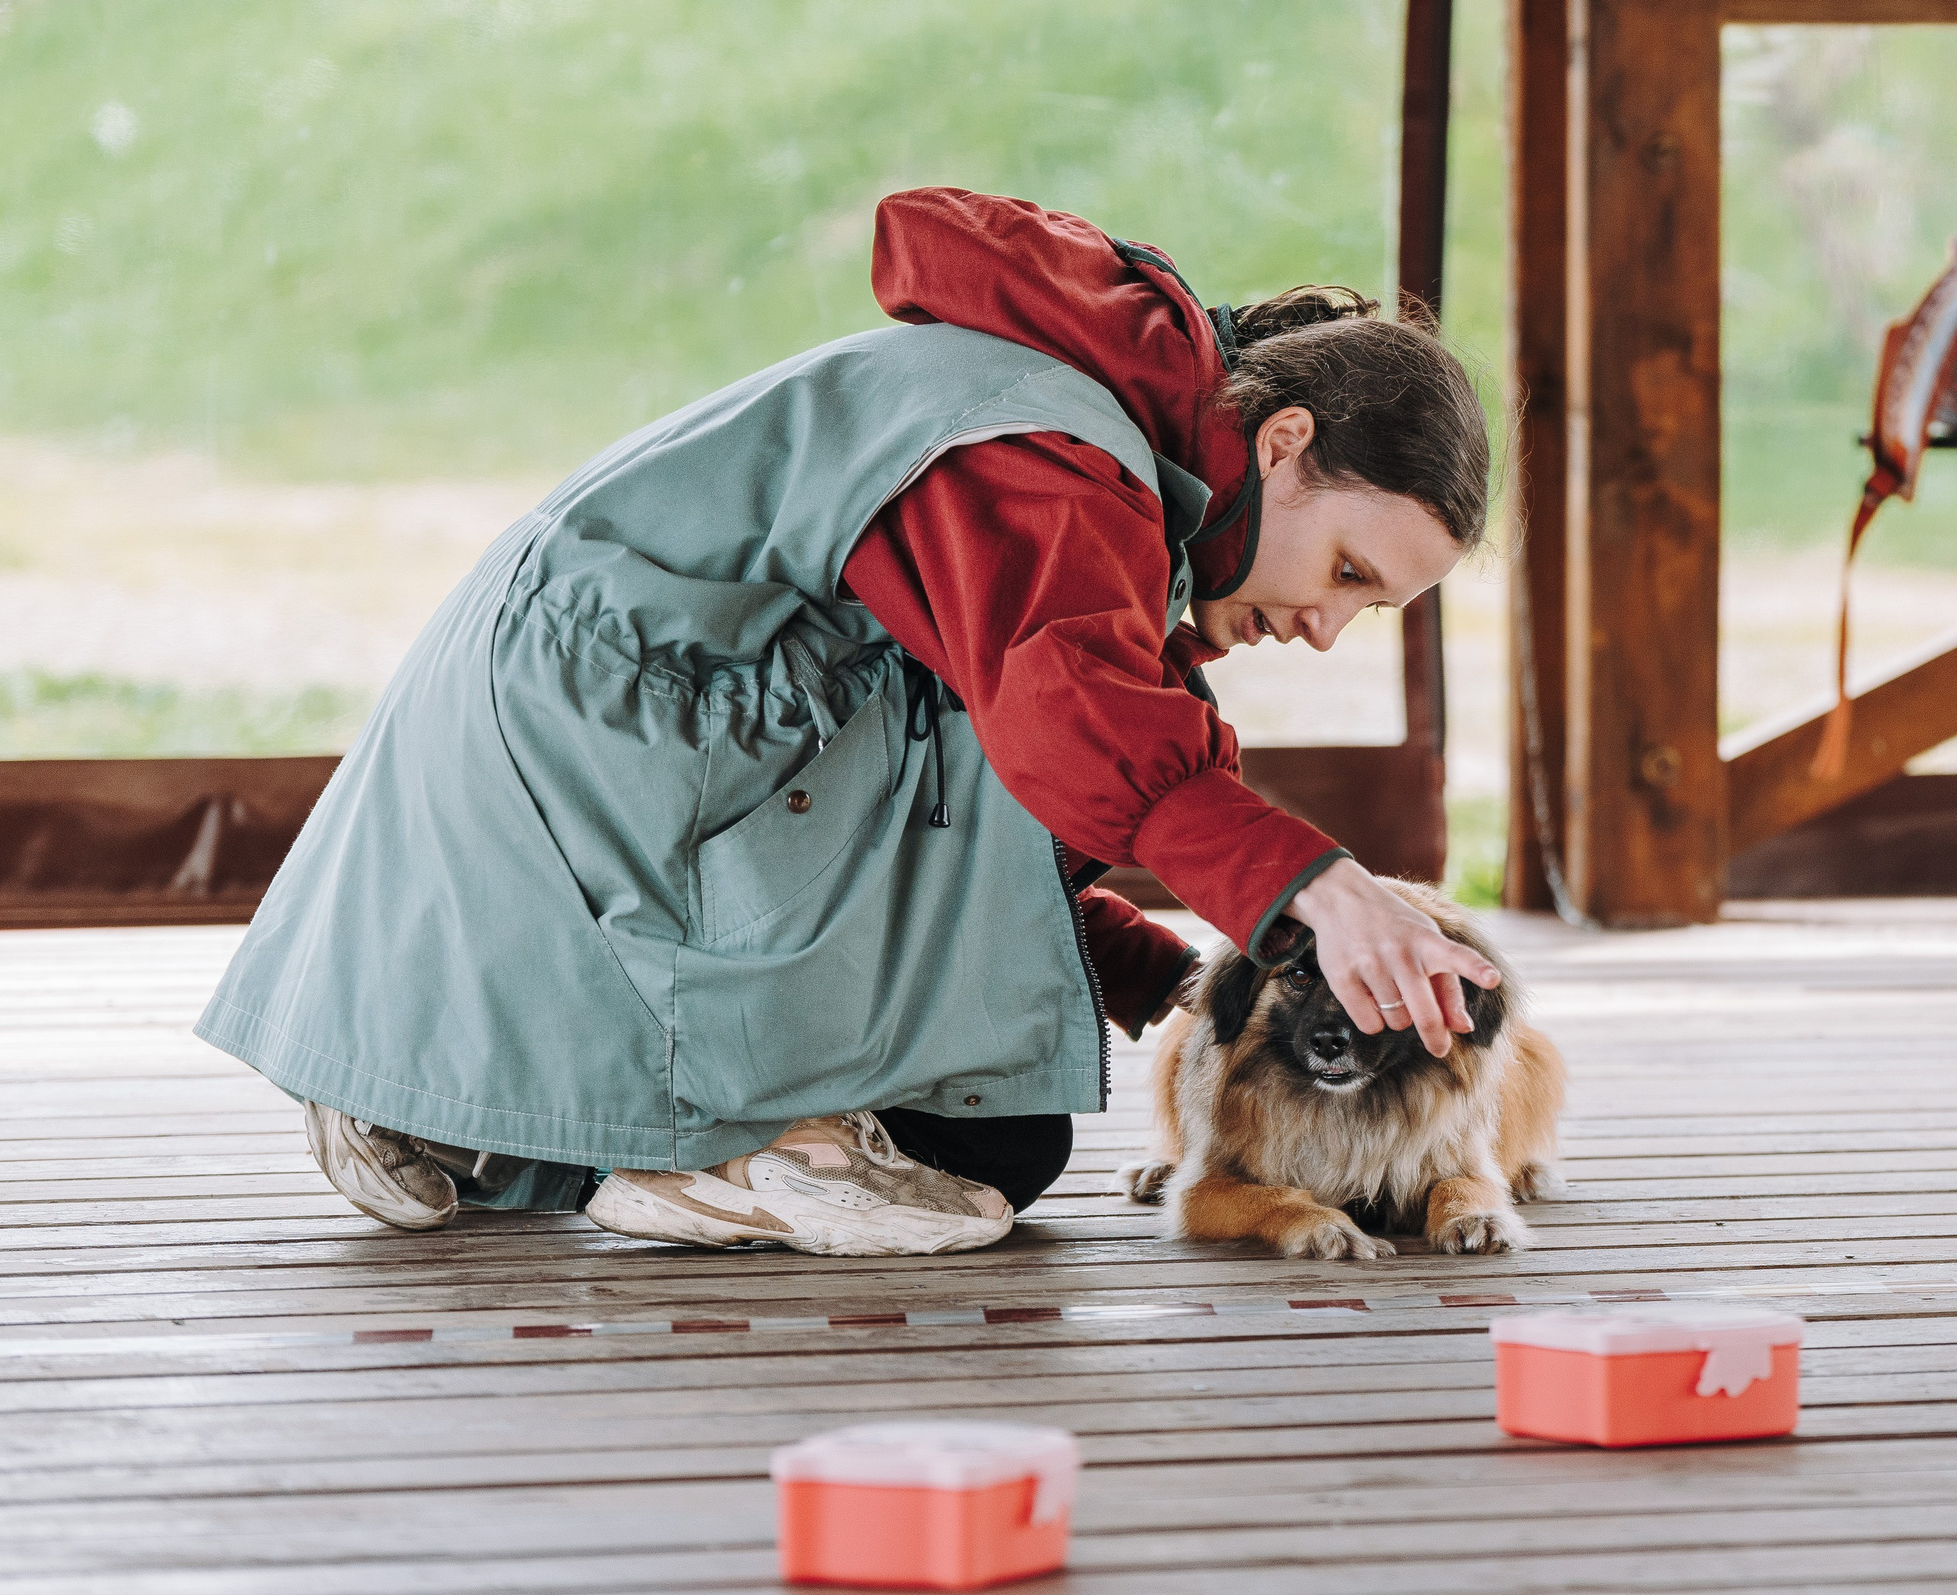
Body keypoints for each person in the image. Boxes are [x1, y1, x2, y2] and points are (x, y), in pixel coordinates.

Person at [196, 188, 1501, 1257]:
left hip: (601, 720)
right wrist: (1319, 889)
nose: (1324, 628)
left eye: (1369, 611)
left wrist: (1150, 967)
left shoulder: (1080, 448)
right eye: (1347, 572)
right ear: (1280, 443)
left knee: (1002, 1137)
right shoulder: (1053, 460)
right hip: (616, 740)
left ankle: (454, 1105)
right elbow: (1063, 733)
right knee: (989, 1120)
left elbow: (1003, 768)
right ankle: (728, 1150)